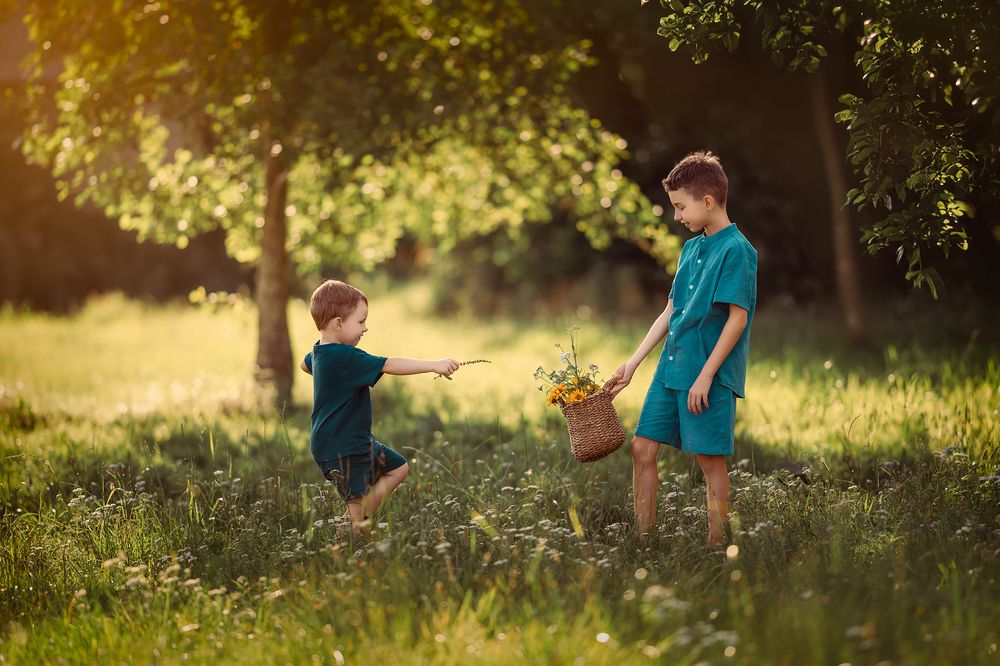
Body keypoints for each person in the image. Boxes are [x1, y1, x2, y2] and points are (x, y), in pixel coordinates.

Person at [609, 151, 757, 544]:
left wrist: (706, 376)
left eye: (680, 206)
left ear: (707, 201)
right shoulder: (691, 249)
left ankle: (716, 546)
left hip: (708, 373)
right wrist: (633, 363)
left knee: (709, 460)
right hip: (671, 368)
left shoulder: (737, 250)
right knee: (641, 448)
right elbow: (672, 310)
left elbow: (737, 320)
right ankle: (644, 540)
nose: (676, 216)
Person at [301, 279, 460, 528]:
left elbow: (304, 364)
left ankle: (356, 520)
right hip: (345, 447)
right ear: (338, 323)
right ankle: (353, 530)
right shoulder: (345, 356)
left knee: (399, 468)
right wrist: (434, 365)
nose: (365, 328)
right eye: (361, 321)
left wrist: (330, 379)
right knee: (356, 507)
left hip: (350, 442)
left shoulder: (320, 351)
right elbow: (389, 364)